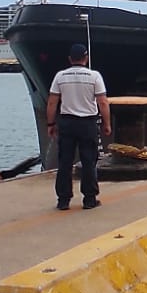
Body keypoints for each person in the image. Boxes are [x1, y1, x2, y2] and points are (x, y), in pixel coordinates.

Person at [46, 43, 111, 210]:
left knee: (65, 162)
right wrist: (107, 123)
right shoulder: (94, 76)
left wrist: (51, 123)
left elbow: (53, 102)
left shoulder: (60, 76)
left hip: (66, 123)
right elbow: (102, 102)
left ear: (70, 59)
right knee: (89, 161)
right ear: (86, 58)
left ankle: (63, 200)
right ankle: (89, 199)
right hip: (87, 123)